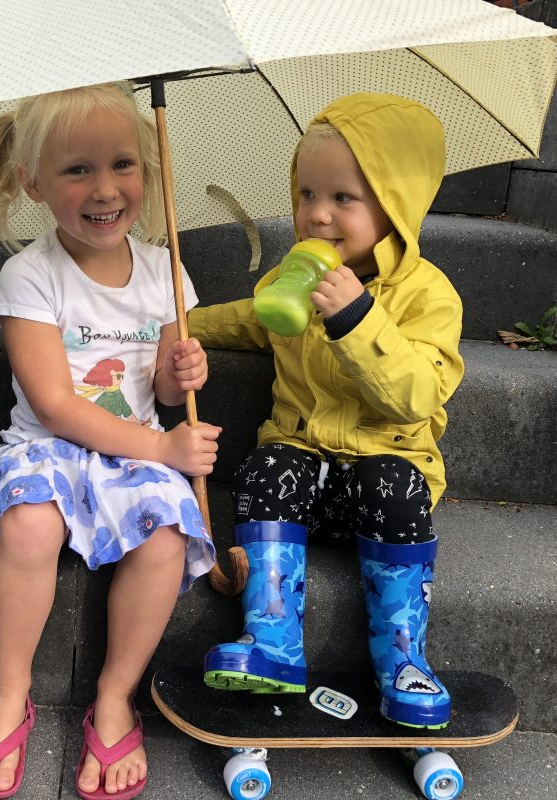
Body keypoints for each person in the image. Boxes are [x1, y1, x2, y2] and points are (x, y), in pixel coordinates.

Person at [0, 81, 221, 800]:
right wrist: (162, 450)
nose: (105, 188)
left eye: (122, 164)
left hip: (129, 453)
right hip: (46, 449)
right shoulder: (30, 275)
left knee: (166, 536)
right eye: (77, 170)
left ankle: (115, 695)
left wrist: (179, 374)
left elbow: (163, 396)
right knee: (29, 523)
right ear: (33, 183)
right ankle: (10, 692)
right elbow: (55, 403)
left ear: (148, 170)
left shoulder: (166, 271)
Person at [189, 93, 464, 730]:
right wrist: (179, 326)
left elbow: (418, 394)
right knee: (266, 467)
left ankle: (403, 659)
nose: (317, 214)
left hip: (382, 479)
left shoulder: (428, 296)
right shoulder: (293, 278)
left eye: (344, 198)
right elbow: (250, 321)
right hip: (302, 477)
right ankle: (273, 641)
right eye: (307, 193)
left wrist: (357, 319)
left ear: (396, 206)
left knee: (393, 483)